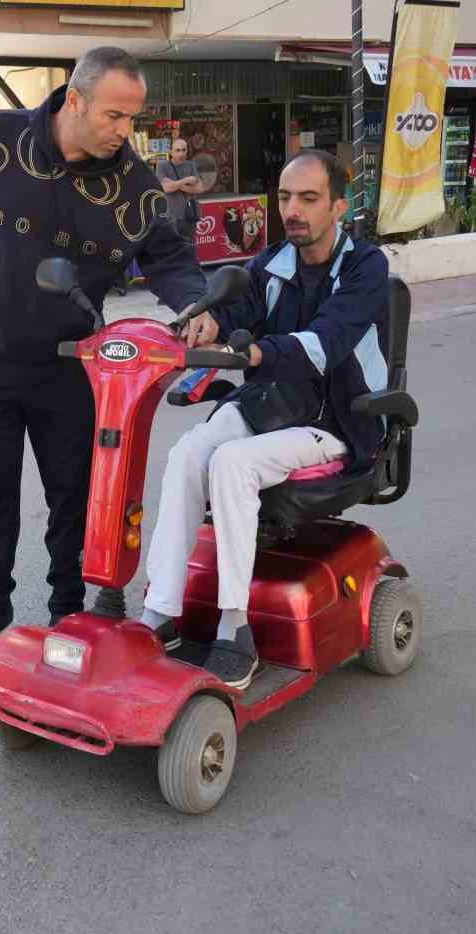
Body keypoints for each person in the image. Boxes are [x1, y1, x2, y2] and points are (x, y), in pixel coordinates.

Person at [0, 47, 211, 663]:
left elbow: (169, 256)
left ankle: (66, 611)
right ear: (74, 100)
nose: (124, 133)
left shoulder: (132, 182)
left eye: (133, 119)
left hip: (73, 366)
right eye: (113, 116)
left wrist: (195, 306)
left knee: (73, 495)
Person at [138, 151, 389, 689]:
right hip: (274, 407)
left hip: (336, 422)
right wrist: (205, 322)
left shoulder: (365, 268)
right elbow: (236, 309)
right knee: (187, 453)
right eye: (284, 197)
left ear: (339, 206)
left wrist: (254, 354)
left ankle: (235, 628)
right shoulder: (272, 263)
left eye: (308, 198)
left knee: (231, 462)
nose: (292, 210)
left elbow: (327, 343)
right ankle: (161, 613)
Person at [155, 138, 204, 241]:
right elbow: (165, 188)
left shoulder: (190, 165)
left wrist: (174, 184)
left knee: (189, 248)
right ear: (171, 152)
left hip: (189, 216)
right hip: (171, 217)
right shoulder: (162, 165)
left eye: (184, 150)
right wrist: (186, 180)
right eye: (177, 150)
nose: (181, 153)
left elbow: (200, 188)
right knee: (172, 250)